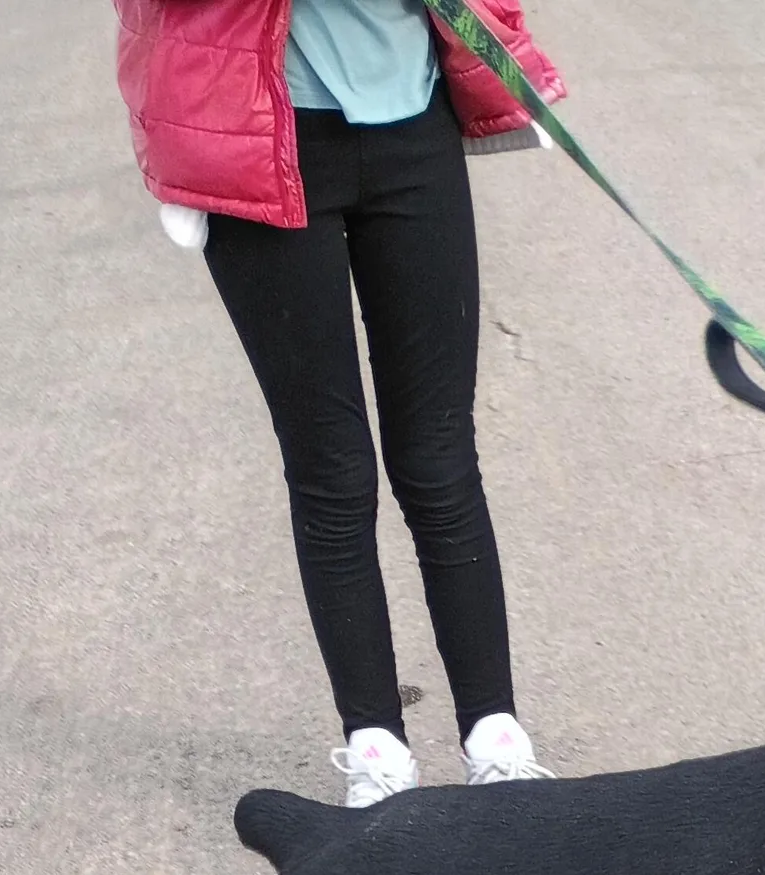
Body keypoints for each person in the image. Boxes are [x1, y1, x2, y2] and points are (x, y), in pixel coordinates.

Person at [114, 0, 565, 804]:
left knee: (439, 458)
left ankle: (497, 744)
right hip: (256, 130)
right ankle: (377, 754)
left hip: (414, 127)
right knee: (331, 470)